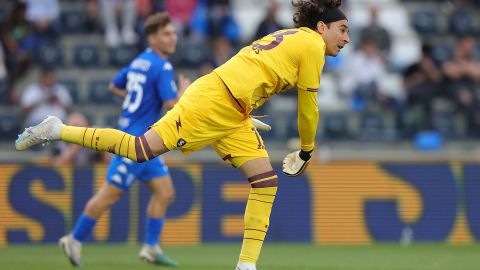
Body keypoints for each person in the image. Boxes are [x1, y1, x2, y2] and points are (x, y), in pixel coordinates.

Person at [15, 1, 350, 269]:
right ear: (321, 27)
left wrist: (247, 107)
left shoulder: (290, 36)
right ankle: (57, 129)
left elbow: (252, 68)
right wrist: (306, 150)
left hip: (234, 110)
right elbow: (308, 109)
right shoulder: (311, 44)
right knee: (138, 149)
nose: (346, 38)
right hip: (214, 102)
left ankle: (246, 266)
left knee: (265, 181)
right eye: (342, 29)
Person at [57, 12, 191, 267]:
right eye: (166, 34)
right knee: (109, 195)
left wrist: (136, 107)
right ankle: (74, 239)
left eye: (173, 33)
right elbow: (172, 106)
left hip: (142, 141)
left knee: (165, 192)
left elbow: (113, 86)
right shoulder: (163, 66)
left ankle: (151, 247)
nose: (173, 38)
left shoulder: (140, 60)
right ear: (152, 38)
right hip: (136, 143)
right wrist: (183, 93)